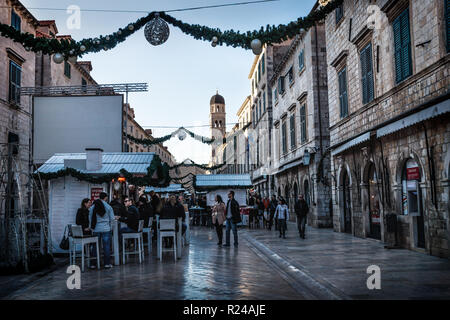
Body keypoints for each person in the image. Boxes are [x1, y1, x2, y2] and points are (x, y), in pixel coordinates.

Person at [89, 192, 116, 269]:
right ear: (106, 198)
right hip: (106, 228)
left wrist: (92, 227)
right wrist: (110, 228)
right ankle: (107, 263)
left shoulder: (93, 207)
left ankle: (93, 264)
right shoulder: (108, 207)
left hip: (96, 229)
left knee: (94, 246)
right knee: (106, 246)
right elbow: (112, 219)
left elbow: (90, 218)